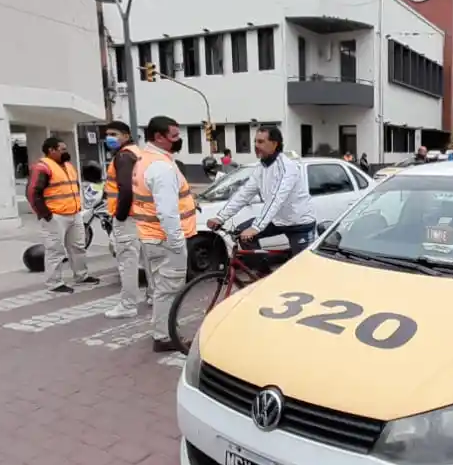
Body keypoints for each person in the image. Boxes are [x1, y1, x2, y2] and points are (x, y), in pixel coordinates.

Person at [135, 116, 197, 352]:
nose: (178, 140)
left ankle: (164, 330)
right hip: (165, 239)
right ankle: (165, 336)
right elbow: (167, 211)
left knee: (162, 288)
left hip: (152, 236)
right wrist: (177, 242)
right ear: (158, 137)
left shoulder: (146, 159)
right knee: (169, 289)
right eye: (174, 136)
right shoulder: (161, 167)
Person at [208, 124, 317, 256]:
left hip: (299, 224)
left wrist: (256, 227)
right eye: (255, 141)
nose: (256, 145)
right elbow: (244, 194)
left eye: (261, 142)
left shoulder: (287, 168)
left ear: (275, 144)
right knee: (241, 234)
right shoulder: (261, 168)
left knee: (301, 267)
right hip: (276, 220)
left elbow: (276, 199)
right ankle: (261, 273)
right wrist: (220, 217)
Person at [27, 136, 98, 294]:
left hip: (74, 213)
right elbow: (33, 193)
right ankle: (54, 283)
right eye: (62, 149)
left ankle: (81, 276)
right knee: (55, 250)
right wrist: (45, 214)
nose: (66, 152)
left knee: (78, 247)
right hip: (55, 216)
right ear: (51, 150)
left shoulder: (68, 166)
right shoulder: (42, 167)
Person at [102, 120, 144, 320]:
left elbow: (126, 189)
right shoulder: (137, 152)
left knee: (127, 261)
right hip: (142, 215)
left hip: (128, 217)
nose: (109, 138)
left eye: (114, 134)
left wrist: (119, 215)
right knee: (145, 258)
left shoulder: (124, 156)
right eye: (107, 134)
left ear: (126, 136)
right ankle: (152, 295)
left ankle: (128, 304)